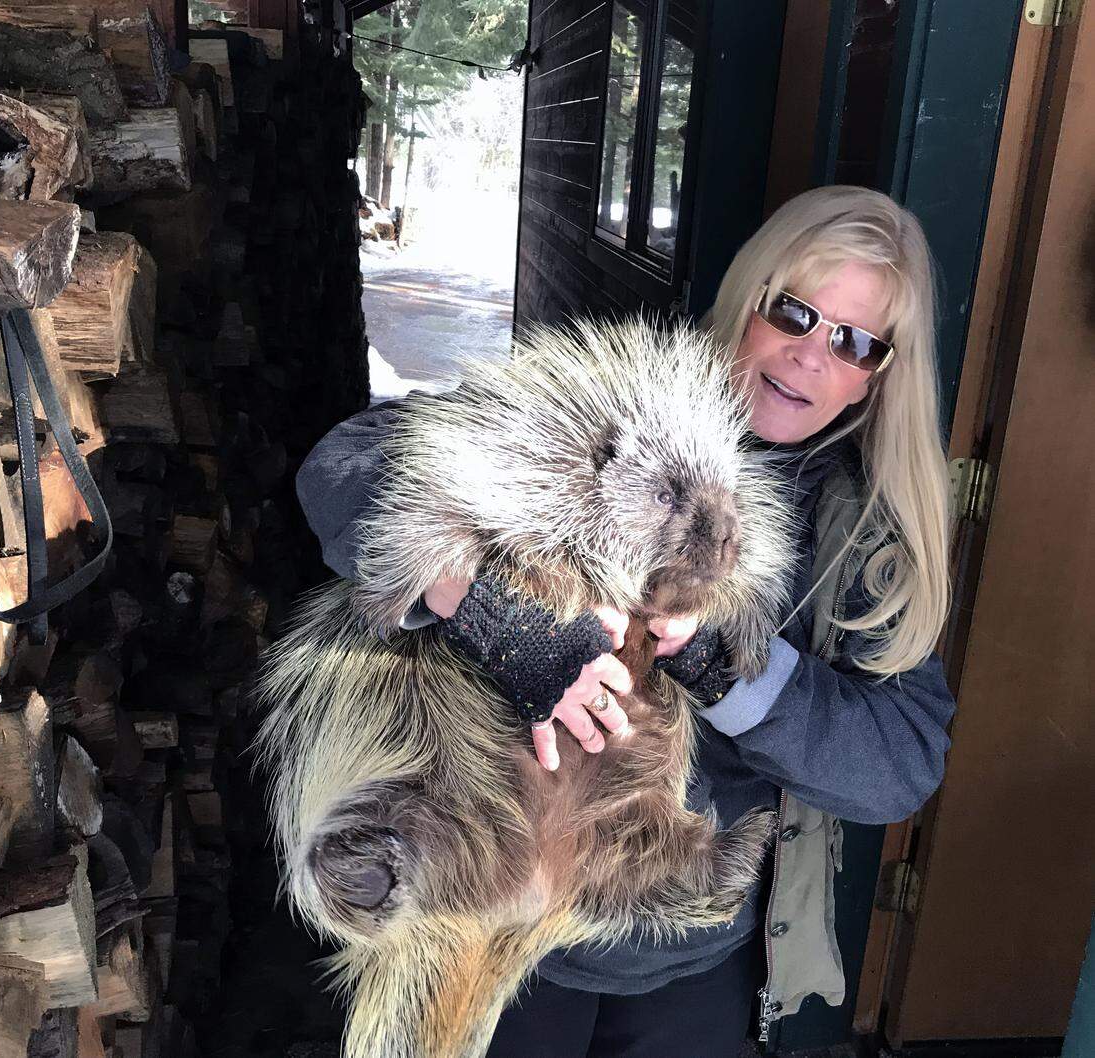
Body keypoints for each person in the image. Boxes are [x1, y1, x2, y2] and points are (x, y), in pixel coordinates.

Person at [294, 185, 956, 1057]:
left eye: (855, 342)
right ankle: (386, 868)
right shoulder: (616, 397)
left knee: (682, 869)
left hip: (687, 961)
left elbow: (901, 767)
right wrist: (481, 605)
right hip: (496, 898)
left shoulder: (862, 536)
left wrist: (728, 673)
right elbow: (344, 467)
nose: (808, 357)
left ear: (881, 374)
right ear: (749, 300)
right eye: (794, 312)